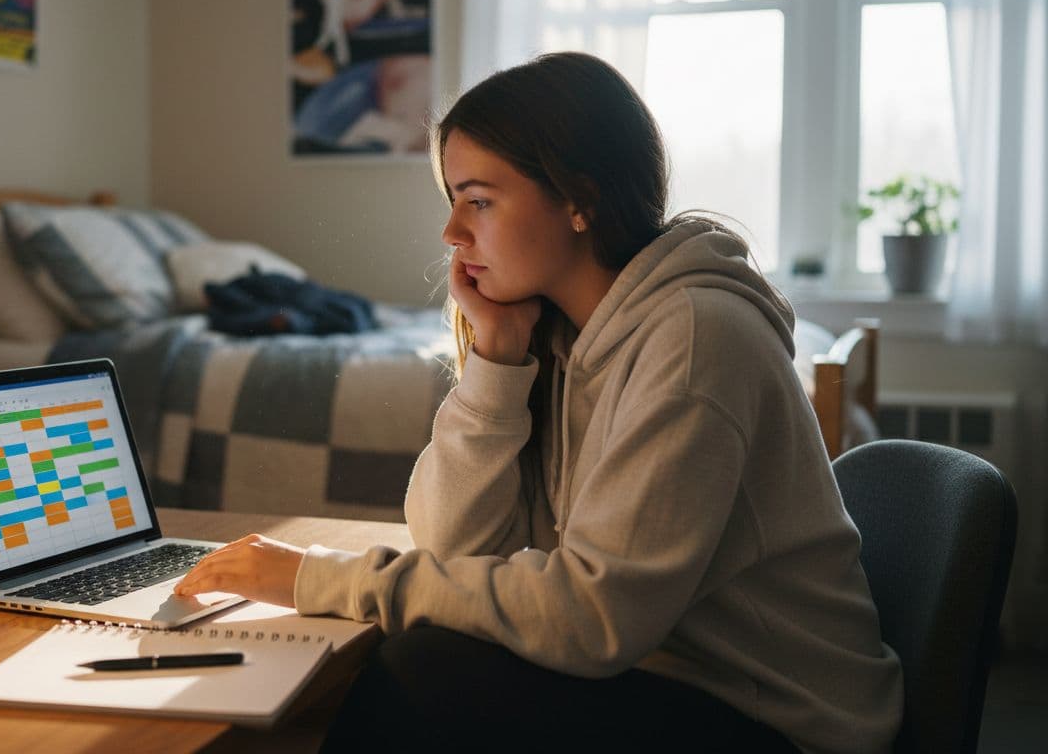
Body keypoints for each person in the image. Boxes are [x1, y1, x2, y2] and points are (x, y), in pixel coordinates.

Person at [176, 51, 903, 753]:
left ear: (579, 200)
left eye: (480, 201)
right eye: (453, 201)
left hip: (780, 720)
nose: (452, 234)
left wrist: (319, 576)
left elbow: (593, 617)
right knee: (427, 653)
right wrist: (492, 359)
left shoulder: (694, 337)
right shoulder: (561, 336)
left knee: (419, 676)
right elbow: (454, 548)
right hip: (667, 673)